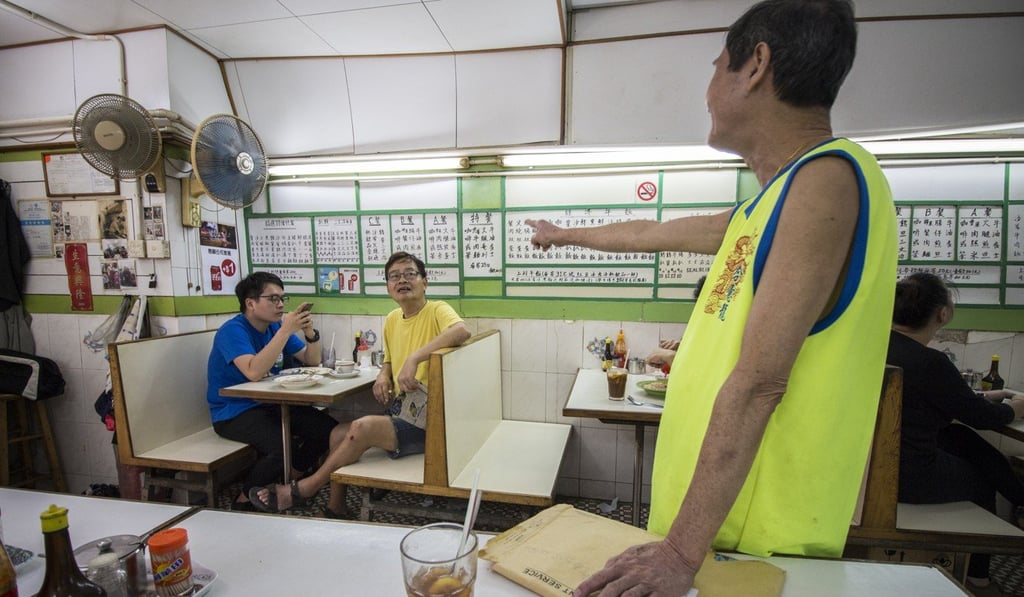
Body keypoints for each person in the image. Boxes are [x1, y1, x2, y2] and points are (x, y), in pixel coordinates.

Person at [529, 2, 897, 594]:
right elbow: (650, 234)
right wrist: (564, 234)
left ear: (756, 65)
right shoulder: (766, 204)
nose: (706, 91)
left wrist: (680, 549)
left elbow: (761, 382)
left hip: (754, 536)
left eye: (714, 67)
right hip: (714, 534)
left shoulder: (825, 178)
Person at [249, 252, 470, 517]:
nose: (402, 280)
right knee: (338, 433)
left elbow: (461, 331)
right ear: (388, 286)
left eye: (410, 273)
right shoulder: (392, 319)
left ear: (425, 282)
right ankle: (336, 506)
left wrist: (415, 358)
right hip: (403, 410)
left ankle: (304, 488)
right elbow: (389, 360)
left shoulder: (437, 310)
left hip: (434, 420)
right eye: (394, 276)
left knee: (361, 427)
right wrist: (383, 375)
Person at [888, 272, 1024, 594]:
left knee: (958, 437)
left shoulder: (877, 347)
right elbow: (980, 418)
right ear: (943, 313)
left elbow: (955, 403)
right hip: (909, 477)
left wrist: (981, 398)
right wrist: (1016, 408)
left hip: (871, 468)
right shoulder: (931, 362)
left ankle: (1021, 501)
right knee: (982, 478)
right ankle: (978, 577)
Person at [207, 271, 338, 511]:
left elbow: (312, 360)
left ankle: (288, 483)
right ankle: (244, 501)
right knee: (279, 447)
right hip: (232, 411)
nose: (280, 305)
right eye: (273, 299)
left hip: (268, 404)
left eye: (282, 299)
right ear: (251, 303)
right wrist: (285, 331)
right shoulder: (232, 331)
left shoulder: (274, 327)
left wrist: (310, 333)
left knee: (327, 430)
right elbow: (253, 372)